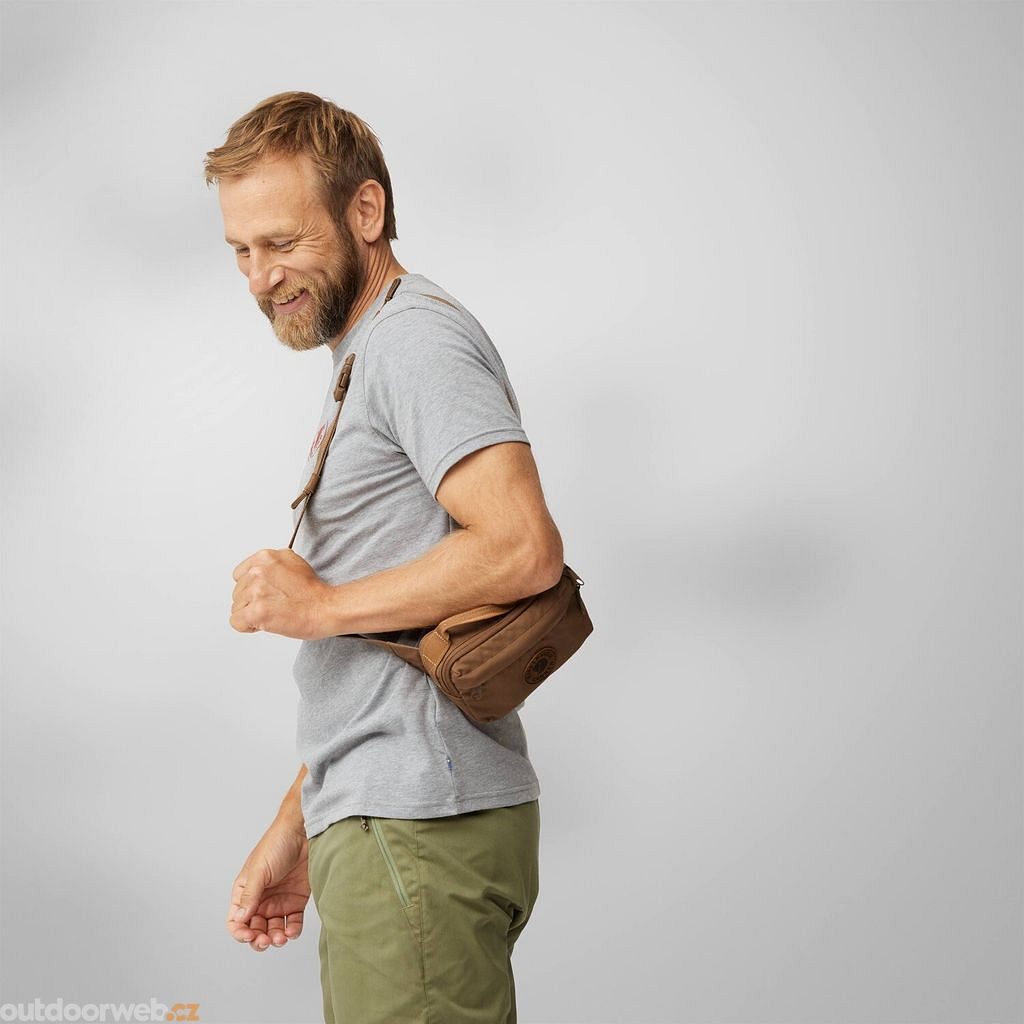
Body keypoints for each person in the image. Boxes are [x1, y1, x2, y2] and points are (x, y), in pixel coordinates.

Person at [202, 91, 564, 1024]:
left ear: (365, 210)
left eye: (281, 241)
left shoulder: (412, 342)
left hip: (417, 827)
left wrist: (318, 607)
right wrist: (300, 823)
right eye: (241, 251)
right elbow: (390, 654)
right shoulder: (371, 351)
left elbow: (523, 546)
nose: (259, 277)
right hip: (394, 823)